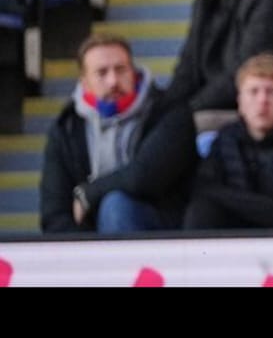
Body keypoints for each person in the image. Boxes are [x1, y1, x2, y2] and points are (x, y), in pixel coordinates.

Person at [40, 33, 196, 233]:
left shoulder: (170, 111)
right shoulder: (66, 128)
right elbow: (54, 212)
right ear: (84, 81)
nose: (113, 81)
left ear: (134, 72)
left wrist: (89, 193)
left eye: (121, 70)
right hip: (92, 243)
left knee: (116, 206)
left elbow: (144, 178)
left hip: (163, 228)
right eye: (102, 73)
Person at [182, 53, 273, 230]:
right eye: (253, 91)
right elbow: (203, 191)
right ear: (240, 101)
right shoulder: (225, 140)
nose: (262, 101)